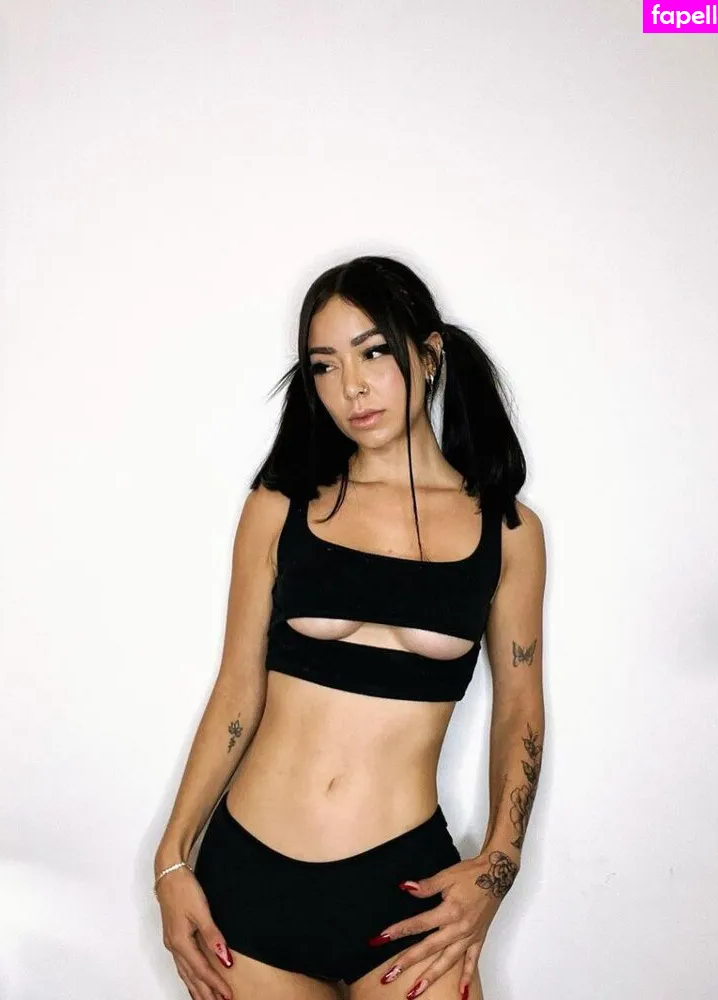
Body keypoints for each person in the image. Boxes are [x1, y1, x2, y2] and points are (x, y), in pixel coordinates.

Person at [153, 255, 547, 1000]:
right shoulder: (280, 507)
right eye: (325, 366)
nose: (351, 388)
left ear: (428, 355)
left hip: (404, 888)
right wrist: (171, 860)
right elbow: (237, 689)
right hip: (248, 883)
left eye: (373, 353)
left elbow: (519, 711)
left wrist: (499, 867)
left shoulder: (508, 531)